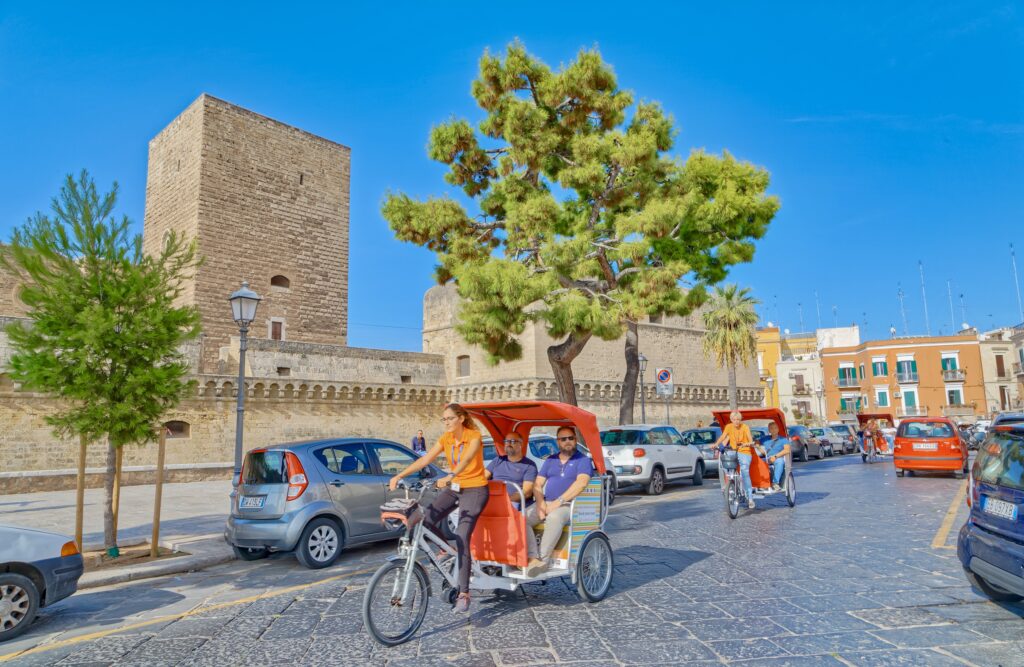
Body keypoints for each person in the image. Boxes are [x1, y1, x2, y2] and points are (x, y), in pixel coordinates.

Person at [389, 403, 487, 613]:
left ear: (461, 418)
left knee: (462, 534)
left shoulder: (474, 435)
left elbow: (468, 458)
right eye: (443, 419)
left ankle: (464, 593)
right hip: (455, 487)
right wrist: (400, 475)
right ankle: (447, 549)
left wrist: (451, 475)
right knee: (426, 519)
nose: (446, 423)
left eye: (449, 418)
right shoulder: (446, 439)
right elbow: (425, 459)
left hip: (475, 489)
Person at [526, 426, 594, 576]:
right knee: (520, 518)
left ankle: (543, 560)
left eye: (571, 438)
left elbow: (581, 483)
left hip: (569, 505)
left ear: (575, 440)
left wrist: (558, 502)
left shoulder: (582, 460)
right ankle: (532, 558)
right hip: (547, 502)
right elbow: (537, 484)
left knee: (554, 517)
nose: (567, 441)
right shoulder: (551, 460)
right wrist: (540, 503)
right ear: (558, 442)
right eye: (563, 439)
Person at [484, 432, 539, 560]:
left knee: (516, 518)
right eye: (506, 441)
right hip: (494, 501)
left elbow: (527, 492)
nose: (508, 444)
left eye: (513, 441)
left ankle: (528, 556)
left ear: (521, 444)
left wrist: (506, 500)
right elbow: (482, 478)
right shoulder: (497, 460)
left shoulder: (529, 465)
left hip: (516, 502)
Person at [714, 410, 755, 508]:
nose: (736, 421)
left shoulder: (745, 427)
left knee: (745, 472)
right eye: (734, 419)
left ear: (740, 420)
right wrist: (716, 444)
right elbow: (723, 437)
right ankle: (730, 485)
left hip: (744, 451)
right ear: (731, 420)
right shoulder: (728, 427)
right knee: (726, 464)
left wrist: (746, 444)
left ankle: (750, 498)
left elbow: (751, 441)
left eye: (738, 419)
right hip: (733, 450)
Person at [759, 421, 790, 491]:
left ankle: (775, 483)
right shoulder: (765, 439)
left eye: (775, 428)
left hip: (778, 457)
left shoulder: (783, 439)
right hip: (767, 458)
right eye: (771, 428)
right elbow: (756, 443)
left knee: (780, 462)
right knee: (757, 463)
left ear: (778, 429)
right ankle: (761, 483)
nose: (773, 430)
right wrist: (759, 448)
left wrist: (775, 456)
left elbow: (787, 450)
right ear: (769, 430)